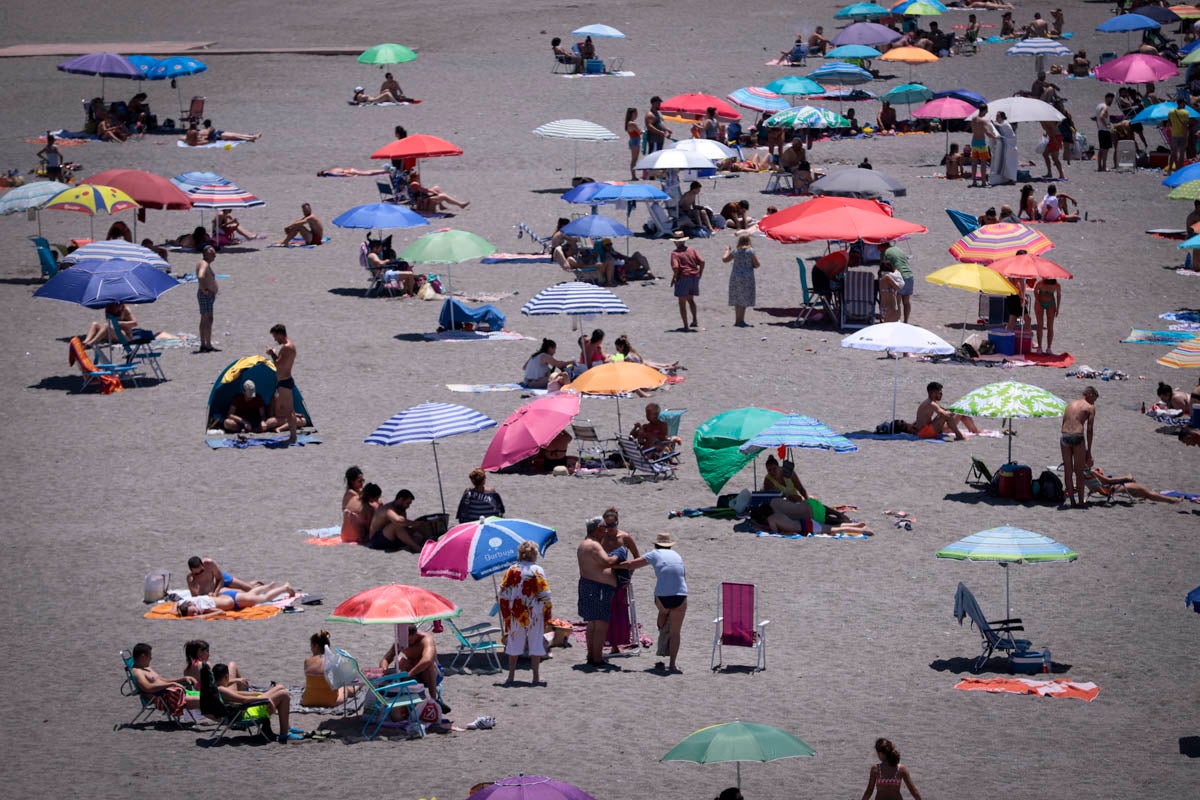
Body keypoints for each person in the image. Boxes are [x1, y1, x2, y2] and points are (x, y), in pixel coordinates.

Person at [616, 532, 688, 673]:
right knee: (676, 633)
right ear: (670, 546)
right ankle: (672, 665)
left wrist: (612, 566)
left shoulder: (654, 554)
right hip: (681, 594)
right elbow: (682, 576)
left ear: (656, 544)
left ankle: (663, 615)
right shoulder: (678, 556)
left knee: (663, 611)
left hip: (662, 597)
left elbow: (631, 564)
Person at [499, 541, 552, 685]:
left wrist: (507, 610)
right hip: (534, 612)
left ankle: (510, 676)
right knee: (535, 642)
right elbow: (545, 594)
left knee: (514, 642)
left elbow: (502, 593)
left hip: (516, 612)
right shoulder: (537, 570)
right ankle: (535, 676)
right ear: (534, 554)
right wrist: (545, 610)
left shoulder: (512, 569)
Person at [211, 663, 299, 743]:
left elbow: (237, 694)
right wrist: (266, 699)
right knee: (284, 694)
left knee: (280, 687)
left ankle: (287, 727)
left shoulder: (216, 687)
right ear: (226, 677)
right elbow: (243, 700)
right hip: (246, 713)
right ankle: (284, 734)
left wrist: (258, 694)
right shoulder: (221, 690)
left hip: (245, 709)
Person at [577, 516, 622, 669]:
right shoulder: (594, 545)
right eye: (603, 528)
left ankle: (591, 655)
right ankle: (597, 658)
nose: (605, 531)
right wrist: (619, 554)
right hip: (598, 588)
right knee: (601, 624)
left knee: (592, 623)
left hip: (588, 586)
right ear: (596, 529)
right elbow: (607, 562)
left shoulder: (584, 544)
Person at [379, 625, 450, 712]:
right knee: (400, 661)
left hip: (432, 674)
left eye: (408, 639)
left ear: (415, 634)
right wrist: (383, 670)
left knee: (429, 666)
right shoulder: (400, 642)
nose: (405, 643)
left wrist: (410, 673)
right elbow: (386, 658)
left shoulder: (426, 639)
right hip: (413, 675)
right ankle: (409, 701)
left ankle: (433, 699)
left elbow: (427, 660)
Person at [128, 643, 199, 717]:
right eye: (149, 656)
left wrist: (183, 678)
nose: (151, 658)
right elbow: (147, 687)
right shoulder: (138, 672)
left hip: (172, 692)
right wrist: (170, 685)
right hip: (167, 698)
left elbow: (163, 680)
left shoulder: (146, 668)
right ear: (143, 656)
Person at [1060, 386, 1099, 508]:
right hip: (1077, 436)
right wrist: (1089, 452)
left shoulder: (1069, 405)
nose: (1094, 402)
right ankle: (1081, 502)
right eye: (1094, 399)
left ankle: (1072, 501)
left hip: (1064, 436)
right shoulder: (1089, 407)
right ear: (1090, 394)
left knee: (1068, 470)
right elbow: (1090, 429)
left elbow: (1064, 423)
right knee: (1079, 471)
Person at [302, 630, 359, 707]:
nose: (311, 649)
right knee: (344, 687)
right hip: (330, 701)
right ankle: (359, 686)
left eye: (311, 646)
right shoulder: (333, 661)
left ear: (316, 646)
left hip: (307, 701)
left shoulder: (307, 661)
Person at [176, 582, 297, 617]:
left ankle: (284, 588)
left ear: (190, 604)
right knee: (251, 595)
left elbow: (221, 613)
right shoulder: (190, 602)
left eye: (194, 611)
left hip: (234, 600)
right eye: (193, 614)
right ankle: (266, 587)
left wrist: (203, 616)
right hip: (229, 597)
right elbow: (176, 606)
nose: (196, 613)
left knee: (263, 599)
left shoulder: (203, 608)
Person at [1083, 465, 1183, 504]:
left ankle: (1143, 495)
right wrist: (1125, 478)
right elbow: (1107, 481)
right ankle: (1170, 500)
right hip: (1112, 488)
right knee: (1146, 492)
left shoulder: (1084, 474)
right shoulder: (1093, 473)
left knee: (1140, 490)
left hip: (1106, 488)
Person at [915, 382, 980, 440]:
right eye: (939, 393)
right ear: (932, 393)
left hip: (925, 430)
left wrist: (956, 409)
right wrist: (956, 411)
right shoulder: (931, 404)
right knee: (946, 415)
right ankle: (960, 435)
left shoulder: (930, 402)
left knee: (950, 413)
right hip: (924, 433)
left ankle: (972, 431)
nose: (941, 395)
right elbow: (945, 414)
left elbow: (943, 410)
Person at [266, 323, 298, 443]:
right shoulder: (289, 346)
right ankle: (293, 436)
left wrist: (272, 354)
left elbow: (278, 364)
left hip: (285, 381)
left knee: (288, 410)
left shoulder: (287, 347)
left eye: (275, 337)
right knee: (287, 409)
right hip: (285, 380)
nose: (275, 339)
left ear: (280, 334)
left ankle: (293, 437)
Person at [670, 231, 704, 331]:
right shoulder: (692, 250)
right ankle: (694, 320)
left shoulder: (675, 253)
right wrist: (700, 273)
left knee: (682, 303)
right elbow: (702, 261)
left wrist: (675, 278)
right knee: (691, 300)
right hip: (694, 276)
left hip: (683, 277)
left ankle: (685, 326)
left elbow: (676, 267)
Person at [722, 234, 759, 327]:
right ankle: (741, 320)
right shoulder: (750, 251)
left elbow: (725, 259)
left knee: (737, 297)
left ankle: (737, 320)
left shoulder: (735, 251)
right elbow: (757, 264)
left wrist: (727, 250)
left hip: (735, 276)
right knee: (744, 298)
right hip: (747, 277)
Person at [185, 556, 261, 596]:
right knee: (244, 592)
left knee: (250, 589)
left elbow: (220, 578)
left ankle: (256, 584)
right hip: (215, 586)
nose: (200, 573)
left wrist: (215, 592)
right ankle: (254, 583)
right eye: (196, 573)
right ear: (191, 571)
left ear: (203, 564)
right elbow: (195, 596)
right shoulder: (191, 579)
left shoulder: (209, 563)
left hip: (221, 578)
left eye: (201, 571)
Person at [881, 240, 914, 324]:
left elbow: (884, 268)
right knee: (906, 301)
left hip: (899, 276)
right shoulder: (898, 249)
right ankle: (906, 321)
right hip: (909, 275)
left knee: (897, 302)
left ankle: (897, 321)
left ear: (881, 246)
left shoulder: (885, 252)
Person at [194, 246, 219, 353]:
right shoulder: (204, 264)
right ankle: (207, 345)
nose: (215, 255)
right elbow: (200, 276)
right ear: (206, 254)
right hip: (206, 295)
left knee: (205, 318)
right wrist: (204, 290)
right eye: (212, 253)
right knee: (207, 319)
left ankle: (204, 343)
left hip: (207, 295)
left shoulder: (202, 263)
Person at [612, 335, 678, 372]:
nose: (617, 350)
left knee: (647, 364)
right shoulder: (631, 351)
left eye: (617, 348)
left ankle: (667, 368)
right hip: (643, 364)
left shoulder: (628, 357)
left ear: (622, 347)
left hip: (643, 370)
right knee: (647, 362)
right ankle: (667, 365)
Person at [969, 104, 998, 187]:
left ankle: (974, 181)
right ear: (984, 110)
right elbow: (987, 132)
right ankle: (983, 182)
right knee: (983, 163)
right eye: (986, 111)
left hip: (974, 142)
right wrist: (995, 137)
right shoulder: (983, 121)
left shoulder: (973, 119)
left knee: (974, 163)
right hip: (981, 143)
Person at [1032, 277, 1061, 353]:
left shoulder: (1057, 285)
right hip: (1039, 302)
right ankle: (1040, 347)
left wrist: (1057, 308)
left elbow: (1058, 295)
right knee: (1040, 325)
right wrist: (1038, 301)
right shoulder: (1040, 283)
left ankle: (1049, 348)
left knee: (1050, 326)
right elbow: (1035, 291)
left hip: (1051, 303)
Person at [989, 111, 1018, 186]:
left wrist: (992, 124)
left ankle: (1012, 179)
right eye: (996, 116)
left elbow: (1009, 136)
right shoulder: (1001, 124)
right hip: (1006, 148)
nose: (996, 118)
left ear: (1002, 117)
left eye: (998, 116)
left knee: (1009, 163)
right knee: (1005, 163)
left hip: (1010, 148)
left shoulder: (1005, 124)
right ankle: (1006, 178)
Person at [340, 466, 366, 542]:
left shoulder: (358, 492)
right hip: (354, 534)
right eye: (359, 481)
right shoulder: (351, 494)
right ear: (352, 481)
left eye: (363, 481)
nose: (362, 483)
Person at [1168, 97, 1191, 174]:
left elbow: (1169, 123)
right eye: (1184, 103)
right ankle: (1179, 171)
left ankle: (1170, 169)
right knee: (1181, 154)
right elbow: (1185, 126)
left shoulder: (1171, 112)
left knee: (1173, 153)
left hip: (1174, 134)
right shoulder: (1185, 113)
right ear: (1181, 103)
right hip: (1182, 135)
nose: (1185, 104)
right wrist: (1186, 137)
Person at [1096, 93, 1115, 172]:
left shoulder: (1098, 106)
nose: (1112, 101)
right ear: (1108, 98)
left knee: (1101, 149)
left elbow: (1097, 118)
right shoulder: (1105, 107)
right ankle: (1104, 167)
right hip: (1105, 131)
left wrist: (1100, 126)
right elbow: (1101, 116)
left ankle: (1099, 167)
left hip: (1100, 130)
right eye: (1111, 99)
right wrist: (1106, 126)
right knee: (1105, 150)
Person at [624, 107, 641, 180]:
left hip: (633, 139)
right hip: (635, 140)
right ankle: (633, 176)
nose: (636, 115)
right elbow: (639, 131)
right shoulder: (632, 123)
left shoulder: (629, 123)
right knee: (634, 159)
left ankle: (634, 175)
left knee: (634, 159)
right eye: (635, 113)